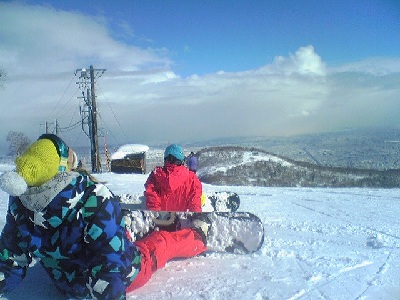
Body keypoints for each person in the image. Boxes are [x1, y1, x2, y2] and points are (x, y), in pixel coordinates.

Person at [0, 134, 209, 299]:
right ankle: (198, 236)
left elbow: (9, 263)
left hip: (65, 284)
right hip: (108, 281)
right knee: (162, 242)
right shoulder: (93, 198)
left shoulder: (19, 206)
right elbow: (112, 272)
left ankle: (124, 227)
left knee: (111, 232)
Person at [144, 144, 202, 212]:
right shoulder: (192, 178)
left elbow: (152, 202)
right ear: (181, 160)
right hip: (183, 220)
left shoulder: (155, 176)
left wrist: (157, 217)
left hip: (161, 220)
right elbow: (195, 203)